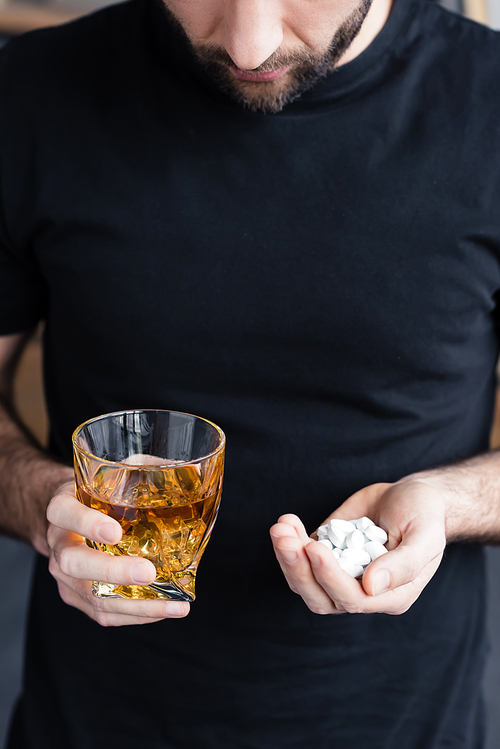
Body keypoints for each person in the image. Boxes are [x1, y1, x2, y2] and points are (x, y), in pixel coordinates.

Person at [0, 0, 499, 745]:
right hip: (91, 717)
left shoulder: (488, 103)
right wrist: (44, 500)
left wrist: (448, 501)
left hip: (405, 721)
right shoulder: (28, 95)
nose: (248, 44)